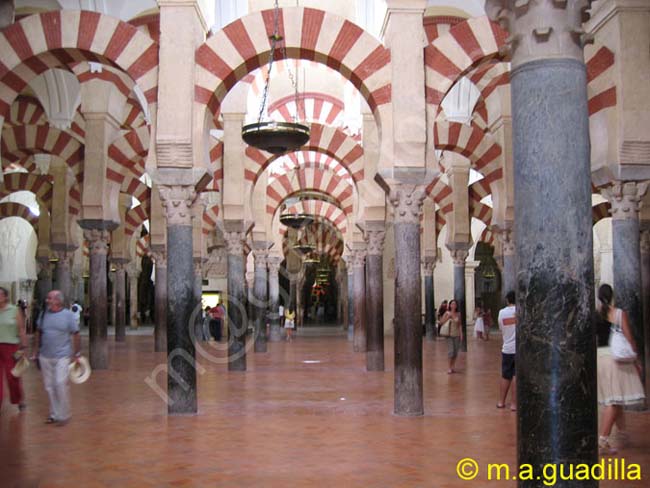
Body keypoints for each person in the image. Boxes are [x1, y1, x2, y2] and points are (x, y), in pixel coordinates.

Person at [595, 284, 645, 455]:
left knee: (615, 396)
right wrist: (636, 357)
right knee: (614, 402)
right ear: (612, 296)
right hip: (613, 359)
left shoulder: (596, 315)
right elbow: (629, 337)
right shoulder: (618, 314)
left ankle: (623, 433)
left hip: (600, 358)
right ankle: (602, 440)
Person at [32, 290, 81, 426]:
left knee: (60, 383)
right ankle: (54, 414)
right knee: (49, 386)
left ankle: (64, 414)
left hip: (63, 355)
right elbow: (38, 333)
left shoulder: (68, 316)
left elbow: (76, 334)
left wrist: (77, 353)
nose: (47, 300)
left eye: (50, 298)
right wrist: (35, 351)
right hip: (45, 355)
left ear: (58, 301)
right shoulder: (43, 315)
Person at [0, 287, 28, 411]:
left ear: (6, 297)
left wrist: (24, 346)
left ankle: (19, 399)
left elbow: (21, 329)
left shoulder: (14, 310)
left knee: (12, 376)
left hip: (11, 347)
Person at [497, 291, 517, 411]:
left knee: (506, 375)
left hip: (507, 348)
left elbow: (501, 328)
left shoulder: (502, 313)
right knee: (516, 376)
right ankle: (514, 404)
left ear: (507, 300)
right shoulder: (521, 312)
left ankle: (501, 402)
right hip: (518, 349)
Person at [439, 299, 463, 373]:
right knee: (451, 351)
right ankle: (449, 367)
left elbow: (460, 325)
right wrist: (448, 317)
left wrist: (461, 334)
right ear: (449, 305)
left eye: (455, 304)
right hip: (449, 334)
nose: (453, 306)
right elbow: (441, 322)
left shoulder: (458, 314)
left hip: (457, 334)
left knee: (455, 352)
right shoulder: (447, 313)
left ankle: (453, 366)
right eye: (452, 304)